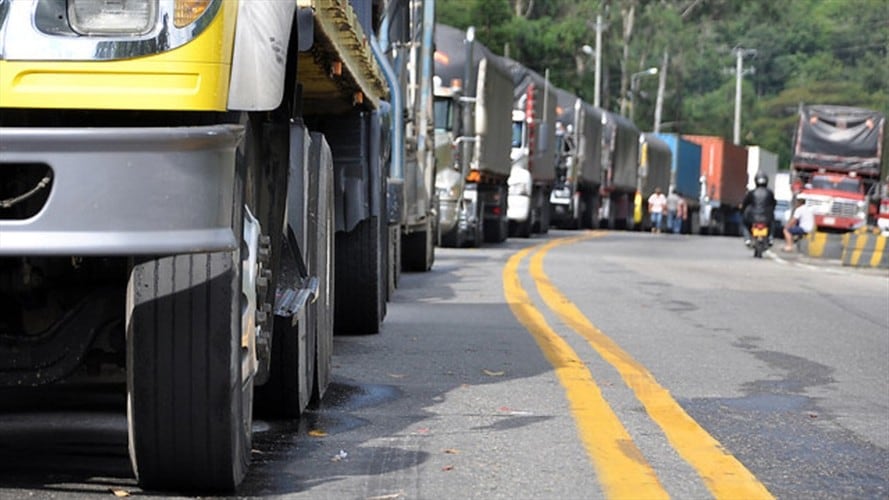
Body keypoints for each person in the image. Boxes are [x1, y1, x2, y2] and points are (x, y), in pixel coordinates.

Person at [740, 172, 776, 246]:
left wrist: (742, 210)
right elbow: (774, 203)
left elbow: (745, 203)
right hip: (767, 217)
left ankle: (747, 239)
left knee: (744, 224)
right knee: (772, 224)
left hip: (752, 217)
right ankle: (771, 238)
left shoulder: (752, 192)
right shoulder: (769, 193)